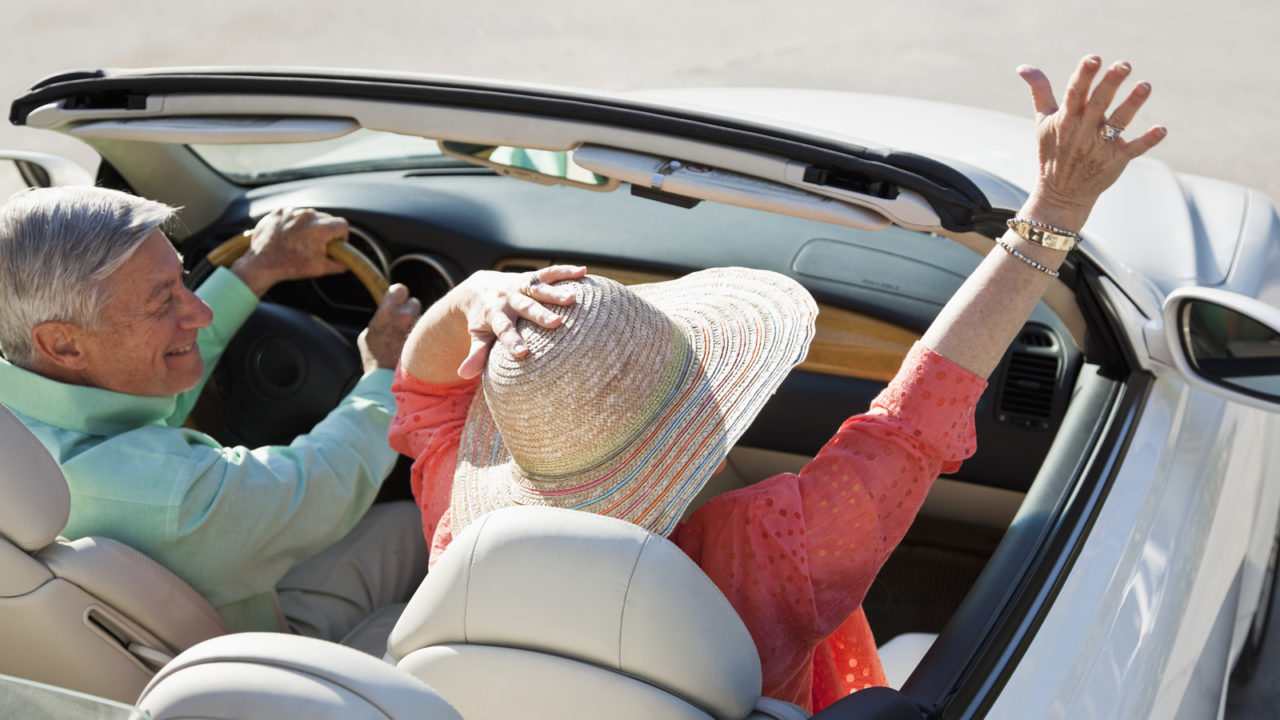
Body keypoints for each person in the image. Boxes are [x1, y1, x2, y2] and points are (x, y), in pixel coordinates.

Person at [388, 56, 1166, 711]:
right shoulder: (771, 551)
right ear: (702, 401)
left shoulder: (462, 529)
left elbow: (421, 390)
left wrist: (473, 292)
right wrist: (1058, 205)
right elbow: (914, 417)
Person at [0, 190, 428, 643]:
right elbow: (317, 487)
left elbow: (143, 379)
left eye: (183, 281)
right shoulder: (166, 497)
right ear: (63, 344)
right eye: (164, 301)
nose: (200, 312)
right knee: (426, 577)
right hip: (258, 675)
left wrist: (256, 270)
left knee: (405, 524)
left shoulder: (30, 405)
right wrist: (386, 374)